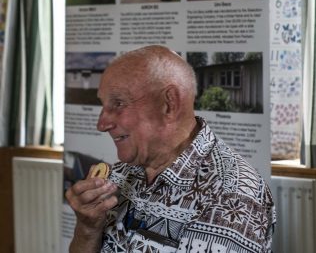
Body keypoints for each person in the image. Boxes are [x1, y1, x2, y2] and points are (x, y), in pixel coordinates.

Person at [66, 45, 276, 252]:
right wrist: (87, 229)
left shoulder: (230, 196)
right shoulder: (120, 175)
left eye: (118, 103)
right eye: (103, 105)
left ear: (169, 104)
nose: (101, 124)